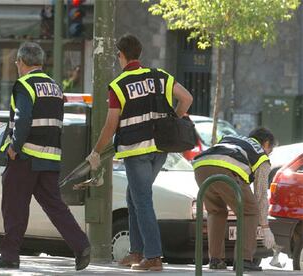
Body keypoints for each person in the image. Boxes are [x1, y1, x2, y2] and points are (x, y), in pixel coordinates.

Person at [86, 34, 193, 271]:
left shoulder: (118, 85)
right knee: (134, 198)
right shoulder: (161, 76)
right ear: (140, 54)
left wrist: (96, 152)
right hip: (161, 150)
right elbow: (187, 98)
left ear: (120, 56)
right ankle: (136, 252)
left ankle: (153, 256)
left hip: (136, 152)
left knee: (142, 200)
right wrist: (173, 119)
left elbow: (111, 124)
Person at [0, 42, 90, 271]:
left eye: (16, 63)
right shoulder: (55, 87)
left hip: (26, 158)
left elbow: (23, 118)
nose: (17, 66)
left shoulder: (24, 85)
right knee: (55, 206)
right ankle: (81, 245)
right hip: (49, 158)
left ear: (21, 62)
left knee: (14, 206)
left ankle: (10, 255)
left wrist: (14, 146)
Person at [192, 127, 276, 271]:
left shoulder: (231, 138)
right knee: (249, 212)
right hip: (226, 172)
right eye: (271, 149)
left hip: (200, 167)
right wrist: (265, 227)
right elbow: (260, 195)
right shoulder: (261, 156)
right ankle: (243, 260)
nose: (270, 153)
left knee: (216, 211)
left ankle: (216, 260)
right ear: (266, 143)